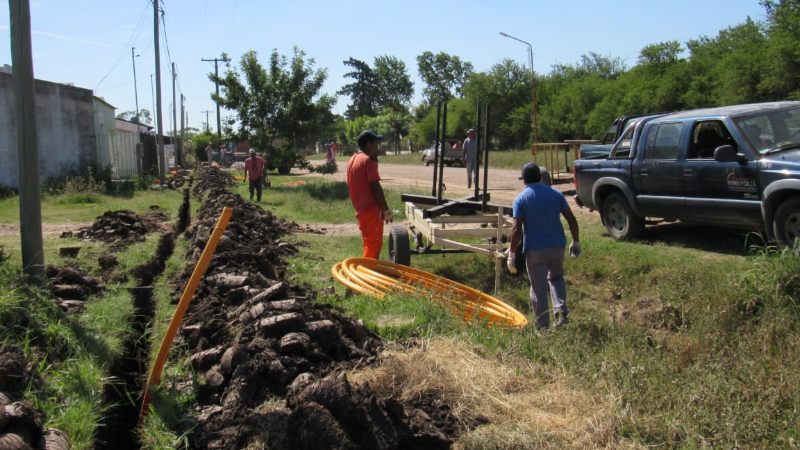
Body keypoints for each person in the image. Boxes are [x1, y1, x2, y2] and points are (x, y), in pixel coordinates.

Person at [506, 163, 581, 330]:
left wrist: (512, 254)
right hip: (558, 247)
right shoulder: (556, 194)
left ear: (523, 180)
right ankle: (561, 312)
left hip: (536, 251)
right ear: (540, 177)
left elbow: (517, 229)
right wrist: (575, 241)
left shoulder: (520, 199)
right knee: (556, 278)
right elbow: (571, 219)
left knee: (538, 288)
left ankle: (542, 328)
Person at [347, 130, 393, 259]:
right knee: (373, 245)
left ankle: (365, 272)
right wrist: (386, 210)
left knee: (368, 243)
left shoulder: (352, 159)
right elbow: (375, 187)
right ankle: (368, 275)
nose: (377, 146)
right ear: (368, 143)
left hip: (360, 210)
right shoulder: (368, 161)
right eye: (375, 142)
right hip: (371, 210)